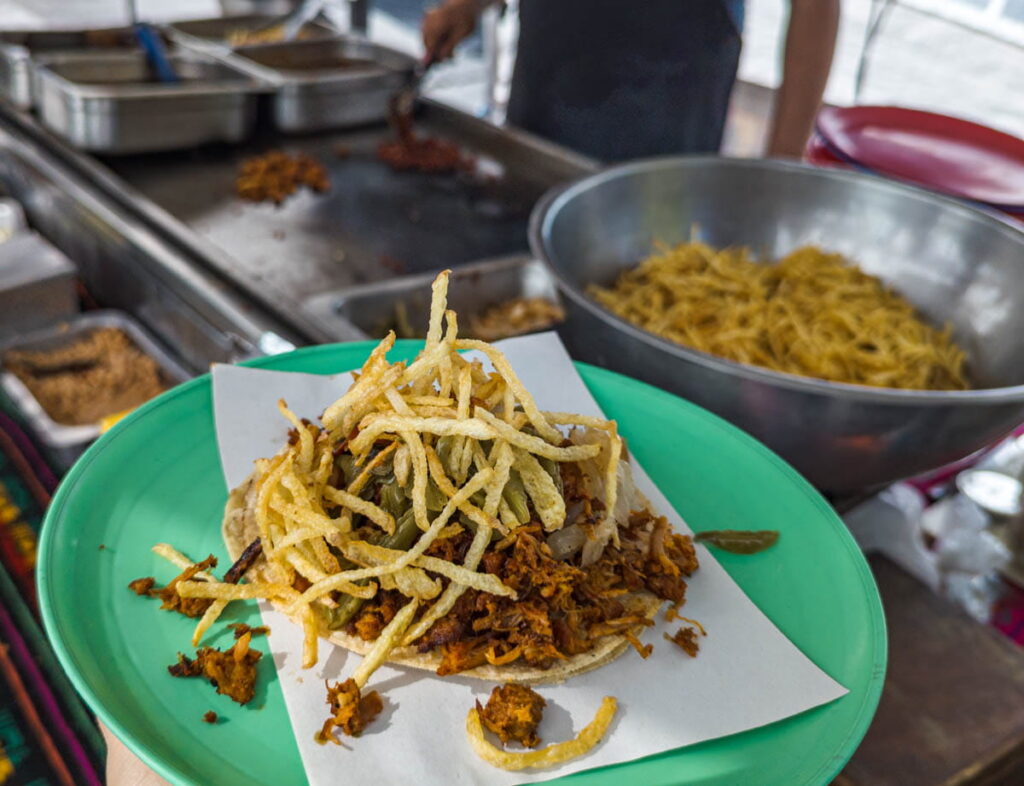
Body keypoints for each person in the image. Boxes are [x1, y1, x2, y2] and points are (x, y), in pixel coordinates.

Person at [423, 0, 840, 161]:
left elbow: (816, 7)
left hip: (669, 97)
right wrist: (469, 5)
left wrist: (783, 159)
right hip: (548, 82)